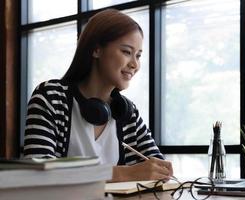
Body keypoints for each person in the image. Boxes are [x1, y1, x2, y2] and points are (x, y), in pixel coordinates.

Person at [23, 9, 173, 182]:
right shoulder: (50, 97)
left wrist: (158, 171)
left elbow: (158, 169)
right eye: (126, 52)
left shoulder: (127, 112)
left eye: (138, 56)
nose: (134, 64)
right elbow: (38, 174)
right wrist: (126, 173)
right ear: (96, 50)